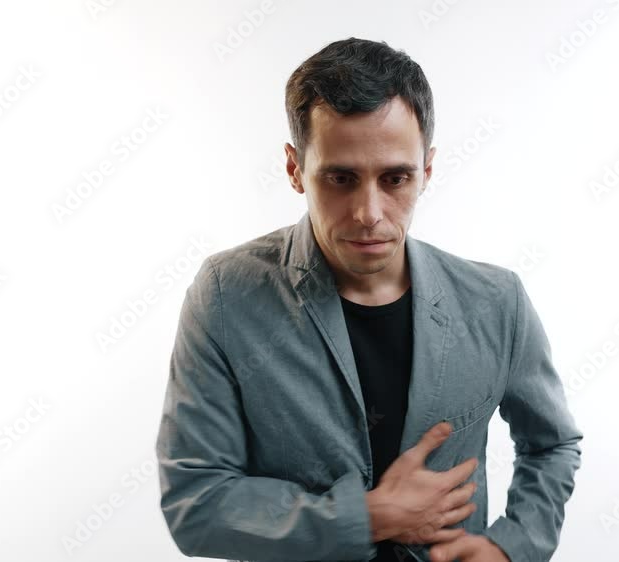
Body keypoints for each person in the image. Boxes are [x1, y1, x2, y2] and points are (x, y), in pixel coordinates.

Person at [155, 37, 583, 562]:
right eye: (341, 178)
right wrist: (369, 517)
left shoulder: (498, 302)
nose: (369, 213)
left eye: (395, 178)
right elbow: (196, 503)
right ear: (294, 169)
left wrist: (510, 548)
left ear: (427, 171)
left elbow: (552, 444)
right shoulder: (226, 294)